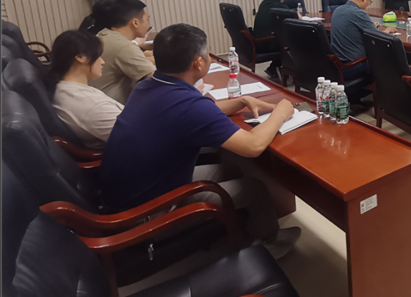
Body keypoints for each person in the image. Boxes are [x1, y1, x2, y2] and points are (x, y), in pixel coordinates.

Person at [100, 23, 300, 258]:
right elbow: (253, 146)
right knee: (254, 189)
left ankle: (242, 226)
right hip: (147, 214)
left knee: (231, 169)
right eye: (207, 53)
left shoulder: (147, 86)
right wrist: (280, 112)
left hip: (129, 195)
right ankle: (270, 244)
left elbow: (195, 113)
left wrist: (240, 101)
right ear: (198, 62)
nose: (209, 57)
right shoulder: (188, 105)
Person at [45, 30, 124, 150]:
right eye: (98, 56)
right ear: (81, 58)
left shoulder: (64, 89)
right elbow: (138, 138)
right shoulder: (89, 104)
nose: (102, 62)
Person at [90, 0, 156, 104]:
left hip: (97, 102)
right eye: (147, 20)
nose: (148, 24)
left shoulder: (104, 35)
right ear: (135, 23)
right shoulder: (123, 46)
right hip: (113, 108)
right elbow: (157, 78)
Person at [330, 0, 397, 81]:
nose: (368, 5)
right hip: (354, 66)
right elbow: (378, 38)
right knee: (388, 64)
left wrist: (371, 26)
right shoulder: (358, 13)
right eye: (369, 1)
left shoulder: (338, 10)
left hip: (337, 66)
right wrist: (389, 29)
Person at [253, 0, 288, 78]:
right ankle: (288, 70)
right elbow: (296, 18)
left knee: (284, 39)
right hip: (267, 44)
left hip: (257, 42)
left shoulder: (264, 3)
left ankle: (273, 69)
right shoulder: (281, 8)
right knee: (291, 43)